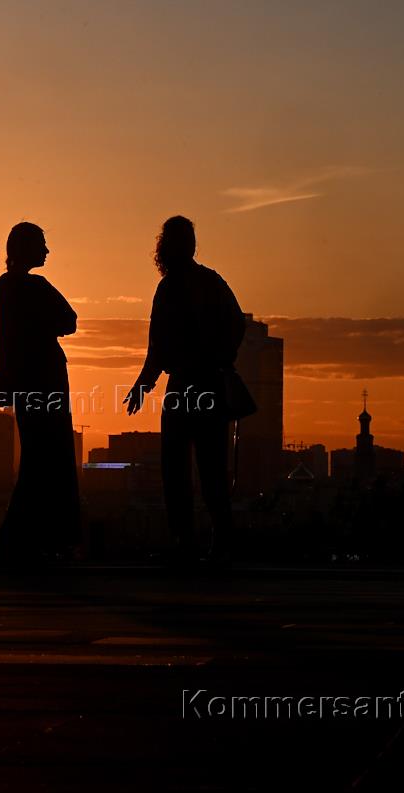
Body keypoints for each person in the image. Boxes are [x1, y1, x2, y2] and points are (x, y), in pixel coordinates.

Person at [125, 216, 245, 563]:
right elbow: (237, 323)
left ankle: (185, 541)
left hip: (182, 386)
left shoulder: (169, 288)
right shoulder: (212, 281)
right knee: (212, 467)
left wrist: (143, 385)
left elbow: (157, 346)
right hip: (210, 384)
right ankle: (221, 540)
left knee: (175, 467)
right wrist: (222, 357)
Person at [0, 222, 81, 563]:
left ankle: (24, 539)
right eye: (41, 244)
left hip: (24, 386)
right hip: (47, 382)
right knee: (51, 459)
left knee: (36, 458)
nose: (46, 251)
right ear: (27, 247)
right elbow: (69, 320)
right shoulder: (34, 286)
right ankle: (32, 539)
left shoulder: (4, 286)